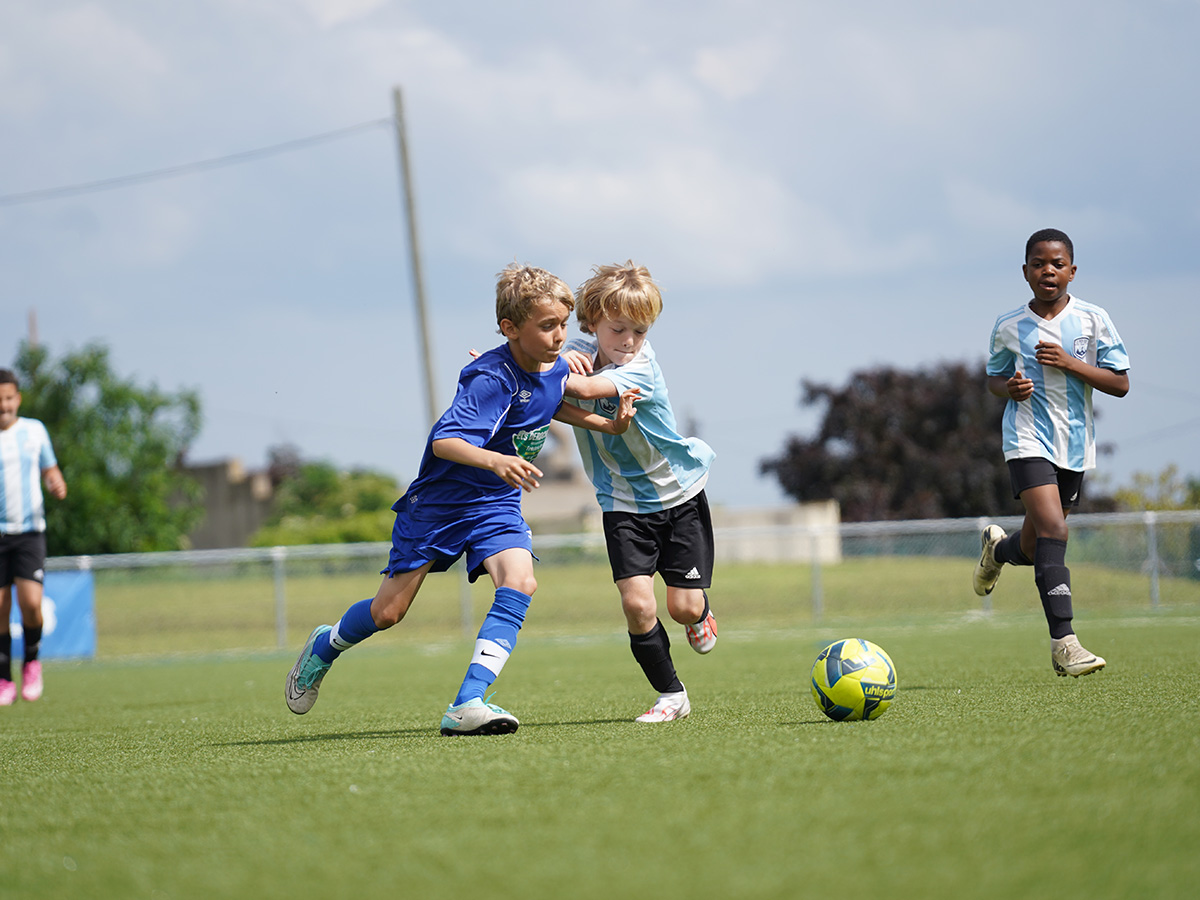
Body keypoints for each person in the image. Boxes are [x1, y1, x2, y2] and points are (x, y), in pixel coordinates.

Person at [285, 264, 638, 735]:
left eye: (563, 325)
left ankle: (467, 701)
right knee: (387, 612)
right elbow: (444, 442)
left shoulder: (553, 366)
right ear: (511, 330)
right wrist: (496, 461)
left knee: (520, 581)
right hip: (440, 506)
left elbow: (551, 401)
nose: (559, 337)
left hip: (496, 504)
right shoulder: (490, 379)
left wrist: (607, 425)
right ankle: (325, 646)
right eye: (547, 326)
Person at [559, 261, 718, 723]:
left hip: (677, 496)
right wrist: (549, 362)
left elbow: (583, 389)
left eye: (640, 331)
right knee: (636, 603)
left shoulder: (640, 369)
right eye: (618, 329)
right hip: (621, 504)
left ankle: (700, 613)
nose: (628, 341)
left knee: (682, 608)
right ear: (591, 322)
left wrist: (530, 369)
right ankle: (672, 694)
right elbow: (556, 398)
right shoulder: (577, 350)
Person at [973, 228, 1130, 677]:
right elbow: (994, 379)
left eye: (1057, 264)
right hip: (1026, 439)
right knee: (1055, 530)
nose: (1048, 270)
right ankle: (1065, 643)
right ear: (1025, 272)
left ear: (1072, 271)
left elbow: (1120, 383)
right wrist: (1011, 388)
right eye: (1039, 263)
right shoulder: (1009, 325)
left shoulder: (1093, 320)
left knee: (1033, 541)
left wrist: (1071, 363)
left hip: (1075, 447)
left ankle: (997, 553)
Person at [0, 368, 68, 705]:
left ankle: (31, 662)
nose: (4, 405)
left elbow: (50, 469)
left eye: (9, 398)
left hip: (29, 532)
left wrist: (56, 482)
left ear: (18, 398)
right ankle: (3, 678)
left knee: (30, 604)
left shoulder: (34, 431)